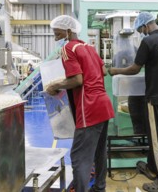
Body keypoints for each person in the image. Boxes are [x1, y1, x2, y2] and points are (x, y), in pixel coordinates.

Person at [108, 12, 158, 192]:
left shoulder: (148, 42)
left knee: (156, 139)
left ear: (146, 26)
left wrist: (114, 70)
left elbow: (134, 69)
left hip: (155, 97)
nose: (141, 32)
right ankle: (151, 167)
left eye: (140, 29)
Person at [46, 15, 114, 192]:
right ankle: (100, 188)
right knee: (100, 152)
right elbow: (104, 71)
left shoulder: (68, 49)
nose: (55, 36)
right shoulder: (88, 47)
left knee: (79, 157)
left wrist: (55, 84)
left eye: (58, 33)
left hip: (88, 107)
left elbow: (77, 80)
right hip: (104, 105)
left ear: (68, 31)